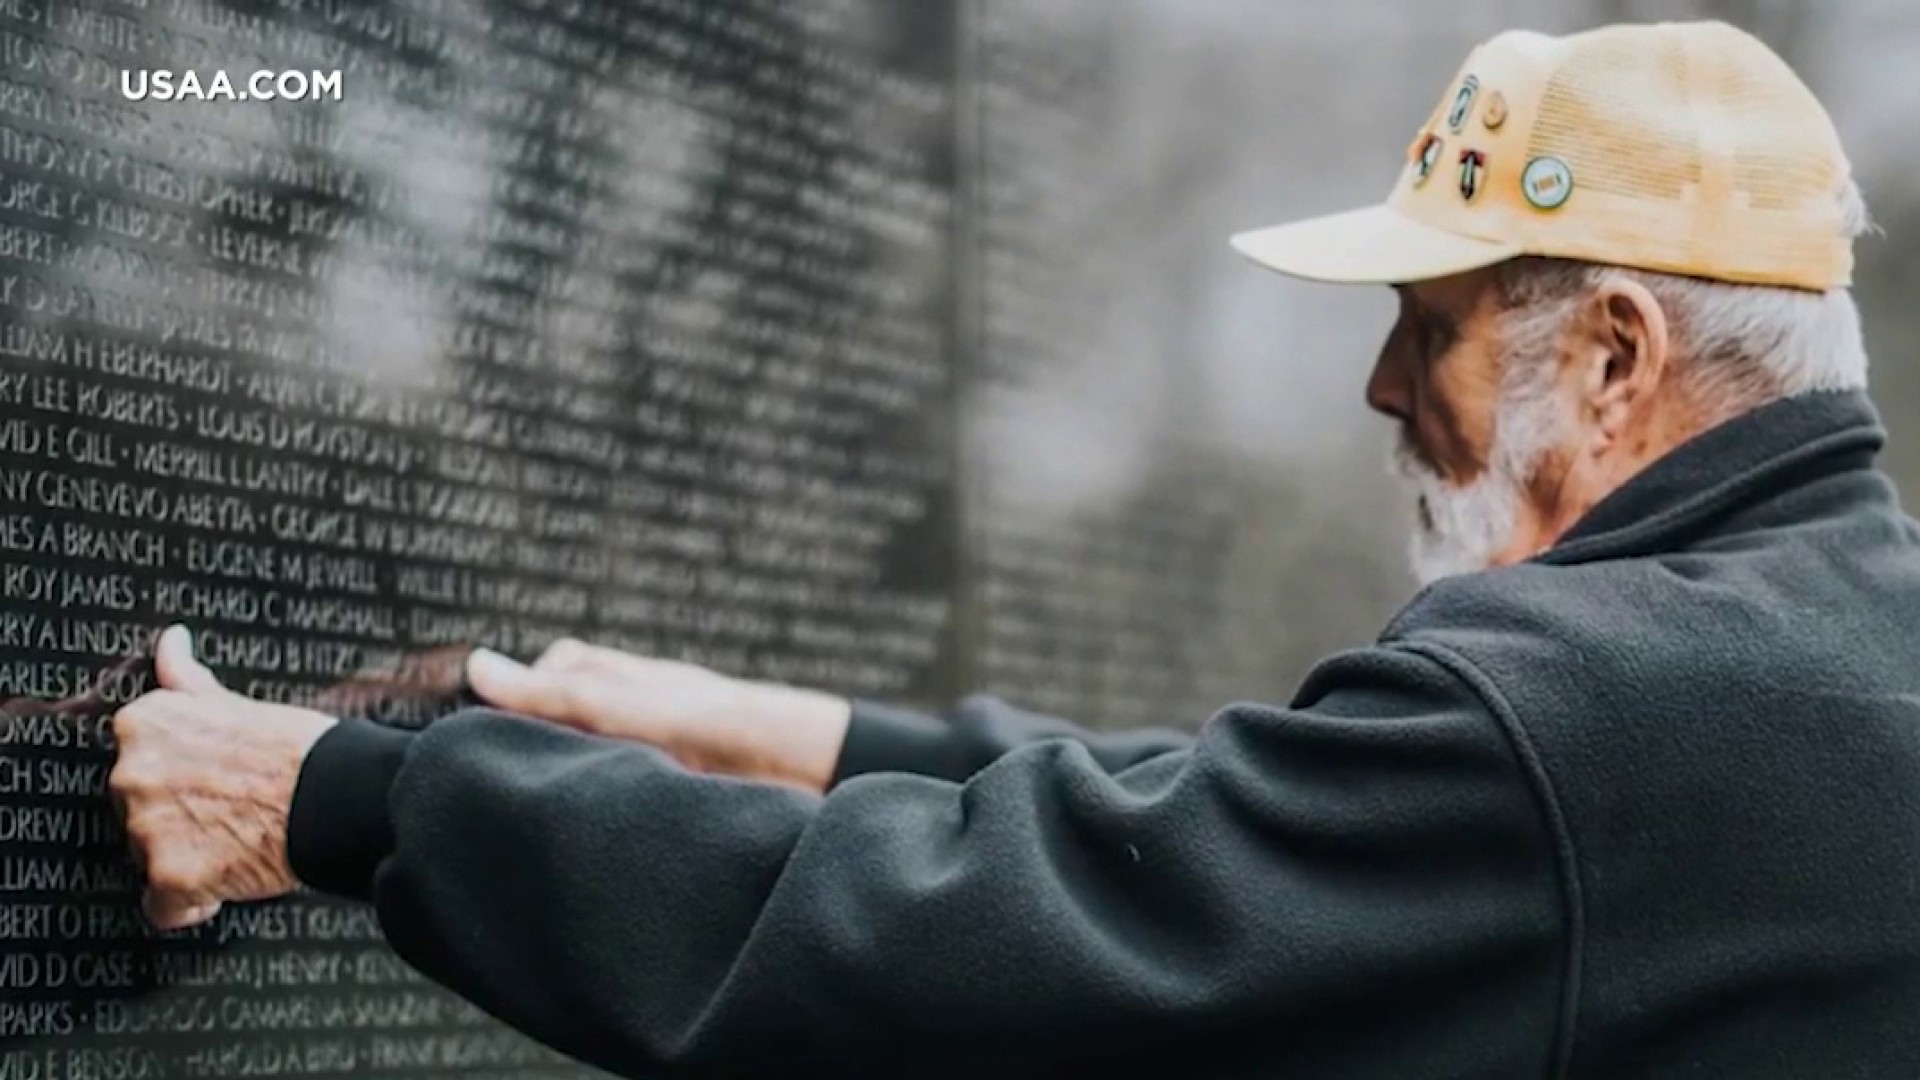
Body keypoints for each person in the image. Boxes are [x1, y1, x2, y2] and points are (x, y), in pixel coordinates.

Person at [109, 21, 1920, 1078]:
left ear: (1614, 357)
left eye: (1428, 324)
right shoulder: (1828, 641)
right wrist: (772, 731)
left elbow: (1016, 945)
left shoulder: (1595, 717)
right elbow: (1243, 824)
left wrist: (336, 799)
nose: (1382, 387)